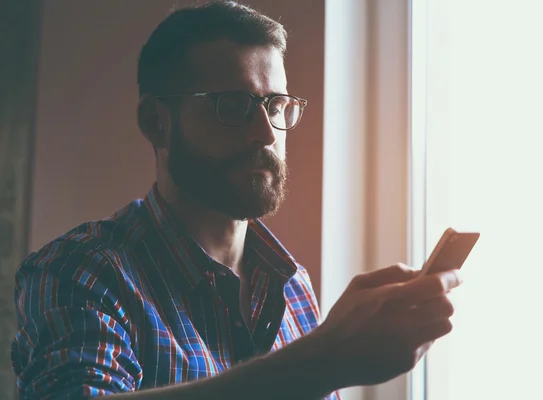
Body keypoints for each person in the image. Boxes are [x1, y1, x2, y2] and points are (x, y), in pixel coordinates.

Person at [11, 1, 462, 399]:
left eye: (275, 105)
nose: (266, 133)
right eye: (232, 106)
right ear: (156, 122)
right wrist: (323, 359)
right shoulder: (84, 271)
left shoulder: (293, 287)